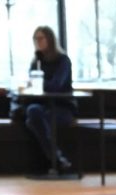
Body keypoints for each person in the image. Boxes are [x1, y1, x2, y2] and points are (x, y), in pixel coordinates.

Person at [23, 25, 76, 173]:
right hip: (42, 106)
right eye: (35, 39)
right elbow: (33, 87)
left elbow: (56, 85)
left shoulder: (63, 61)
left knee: (33, 120)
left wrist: (38, 83)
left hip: (62, 107)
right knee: (33, 113)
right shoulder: (36, 63)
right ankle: (58, 159)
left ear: (50, 39)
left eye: (41, 38)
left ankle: (55, 161)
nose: (37, 42)